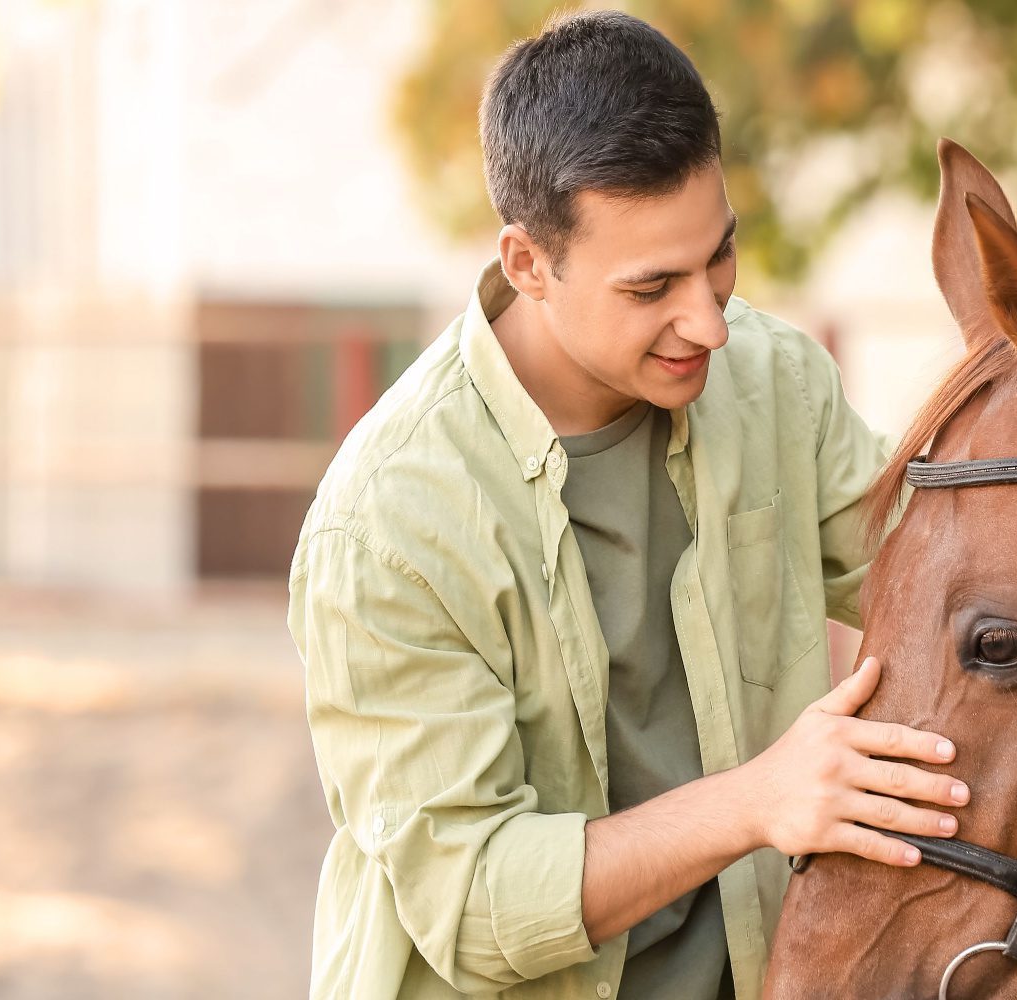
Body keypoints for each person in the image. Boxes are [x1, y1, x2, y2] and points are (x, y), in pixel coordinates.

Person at [286, 11, 964, 998]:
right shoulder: (387, 528)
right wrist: (758, 802)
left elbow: (948, 580)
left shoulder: (775, 381)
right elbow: (474, 905)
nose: (709, 322)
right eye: (652, 287)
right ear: (528, 265)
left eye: (718, 258)